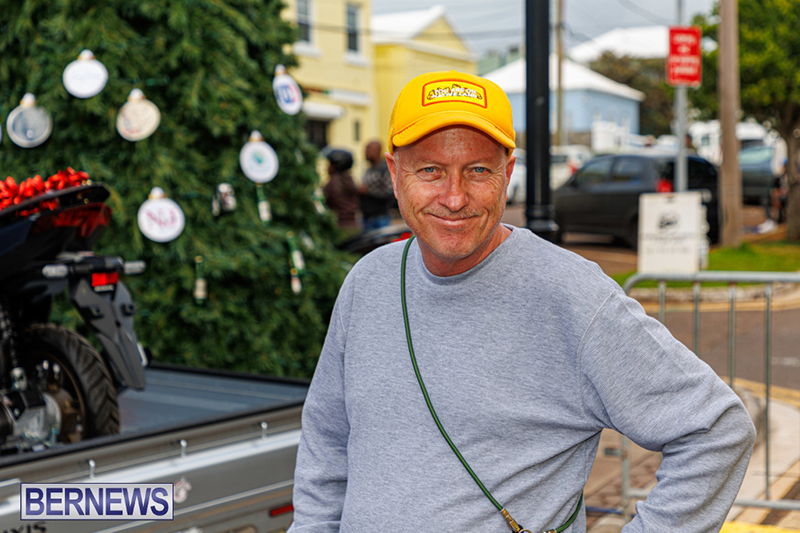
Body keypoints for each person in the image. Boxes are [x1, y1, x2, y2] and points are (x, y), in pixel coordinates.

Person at [290, 71, 755, 532]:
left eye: (478, 170)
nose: (454, 197)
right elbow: (327, 442)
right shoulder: (367, 281)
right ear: (394, 174)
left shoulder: (572, 296)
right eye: (430, 170)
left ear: (508, 174)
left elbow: (716, 430)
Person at [322, 148, 360, 237]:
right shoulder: (349, 179)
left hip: (340, 228)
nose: (327, 168)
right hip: (354, 225)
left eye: (330, 164)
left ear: (337, 166)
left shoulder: (333, 183)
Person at [359, 140, 395, 232]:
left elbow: (390, 193)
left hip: (380, 217)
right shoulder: (368, 170)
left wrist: (368, 192)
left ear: (377, 151)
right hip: (367, 217)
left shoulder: (384, 169)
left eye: (368, 149)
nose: (365, 152)